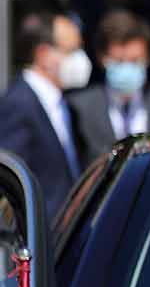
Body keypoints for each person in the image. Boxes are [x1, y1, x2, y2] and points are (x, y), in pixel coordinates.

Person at [0, 14, 93, 220]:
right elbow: (8, 182)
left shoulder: (66, 106)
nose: (80, 59)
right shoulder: (19, 104)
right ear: (43, 54)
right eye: (71, 51)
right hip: (41, 237)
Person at [70, 9, 150, 161]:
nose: (127, 69)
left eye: (135, 61)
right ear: (102, 58)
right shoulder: (79, 107)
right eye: (119, 61)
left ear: (148, 57)